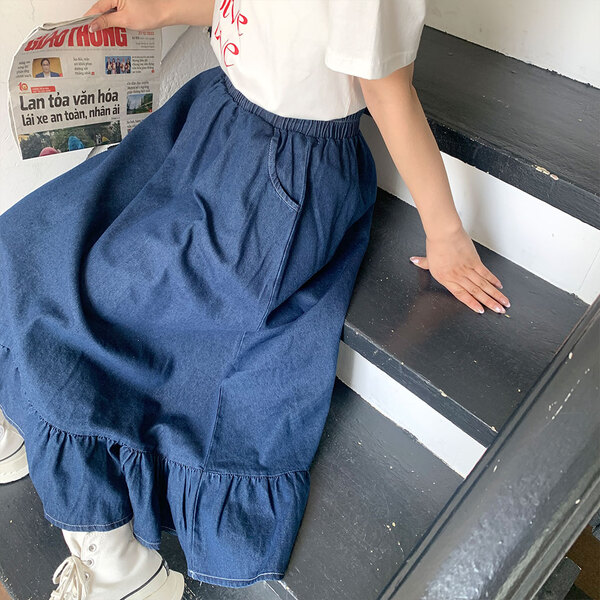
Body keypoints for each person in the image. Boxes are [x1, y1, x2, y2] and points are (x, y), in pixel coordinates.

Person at [0, 0, 511, 598]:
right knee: (34, 235)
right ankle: (19, 412)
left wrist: (445, 232)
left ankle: (116, 558)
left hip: (283, 172)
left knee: (104, 300)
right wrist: (163, 11)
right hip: (214, 117)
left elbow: (386, 89)